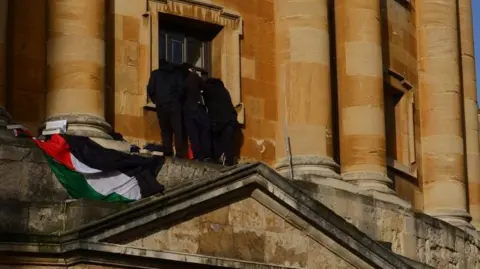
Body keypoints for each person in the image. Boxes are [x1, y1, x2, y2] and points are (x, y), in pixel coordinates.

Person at [147, 59, 187, 158]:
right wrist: (177, 99)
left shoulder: (155, 74)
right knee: (177, 129)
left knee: (165, 129)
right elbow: (182, 89)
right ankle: (179, 153)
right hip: (174, 104)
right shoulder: (176, 74)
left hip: (161, 104)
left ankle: (167, 150)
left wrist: (156, 100)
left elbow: (150, 89)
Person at [179, 63, 212, 161]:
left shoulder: (182, 80)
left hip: (187, 110)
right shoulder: (194, 77)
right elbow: (205, 88)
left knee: (193, 133)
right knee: (205, 128)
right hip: (197, 108)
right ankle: (205, 154)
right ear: (191, 69)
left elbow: (180, 93)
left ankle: (197, 155)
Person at [203, 78, 238, 166]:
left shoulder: (210, 89)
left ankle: (217, 158)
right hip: (230, 121)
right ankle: (228, 161)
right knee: (228, 144)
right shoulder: (224, 90)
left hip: (219, 122)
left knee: (216, 142)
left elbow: (213, 107)